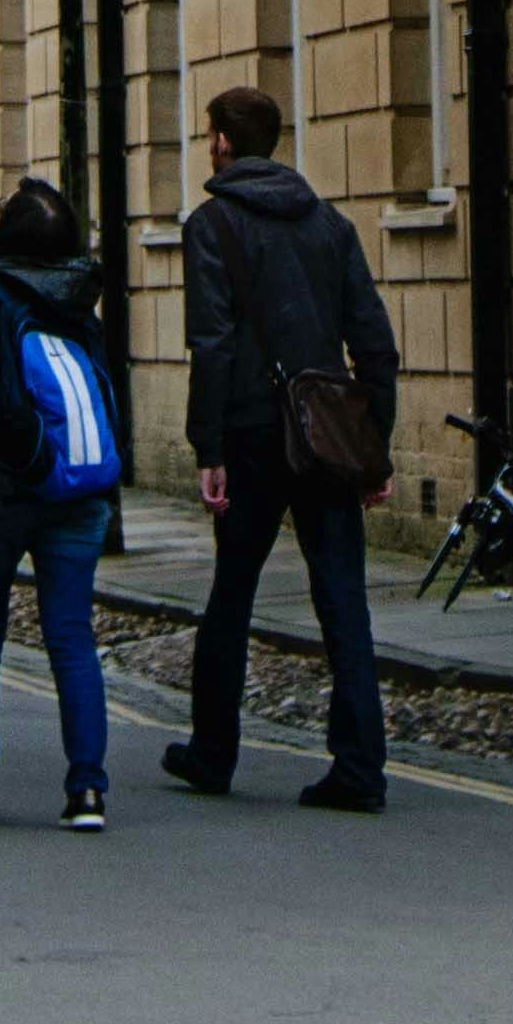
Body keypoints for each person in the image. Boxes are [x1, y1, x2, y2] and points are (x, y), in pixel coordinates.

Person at [166, 84, 394, 812]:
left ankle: (212, 753)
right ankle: (359, 769)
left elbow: (212, 343)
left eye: (210, 136)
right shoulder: (331, 225)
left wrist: (209, 448)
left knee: (232, 595)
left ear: (223, 144)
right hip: (326, 437)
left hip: (252, 434)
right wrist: (373, 448)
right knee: (344, 602)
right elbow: (375, 346)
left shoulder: (212, 225)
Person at [0, 176, 129, 829]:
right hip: (79, 489)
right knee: (72, 636)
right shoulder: (79, 298)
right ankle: (87, 790)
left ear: (6, 230)